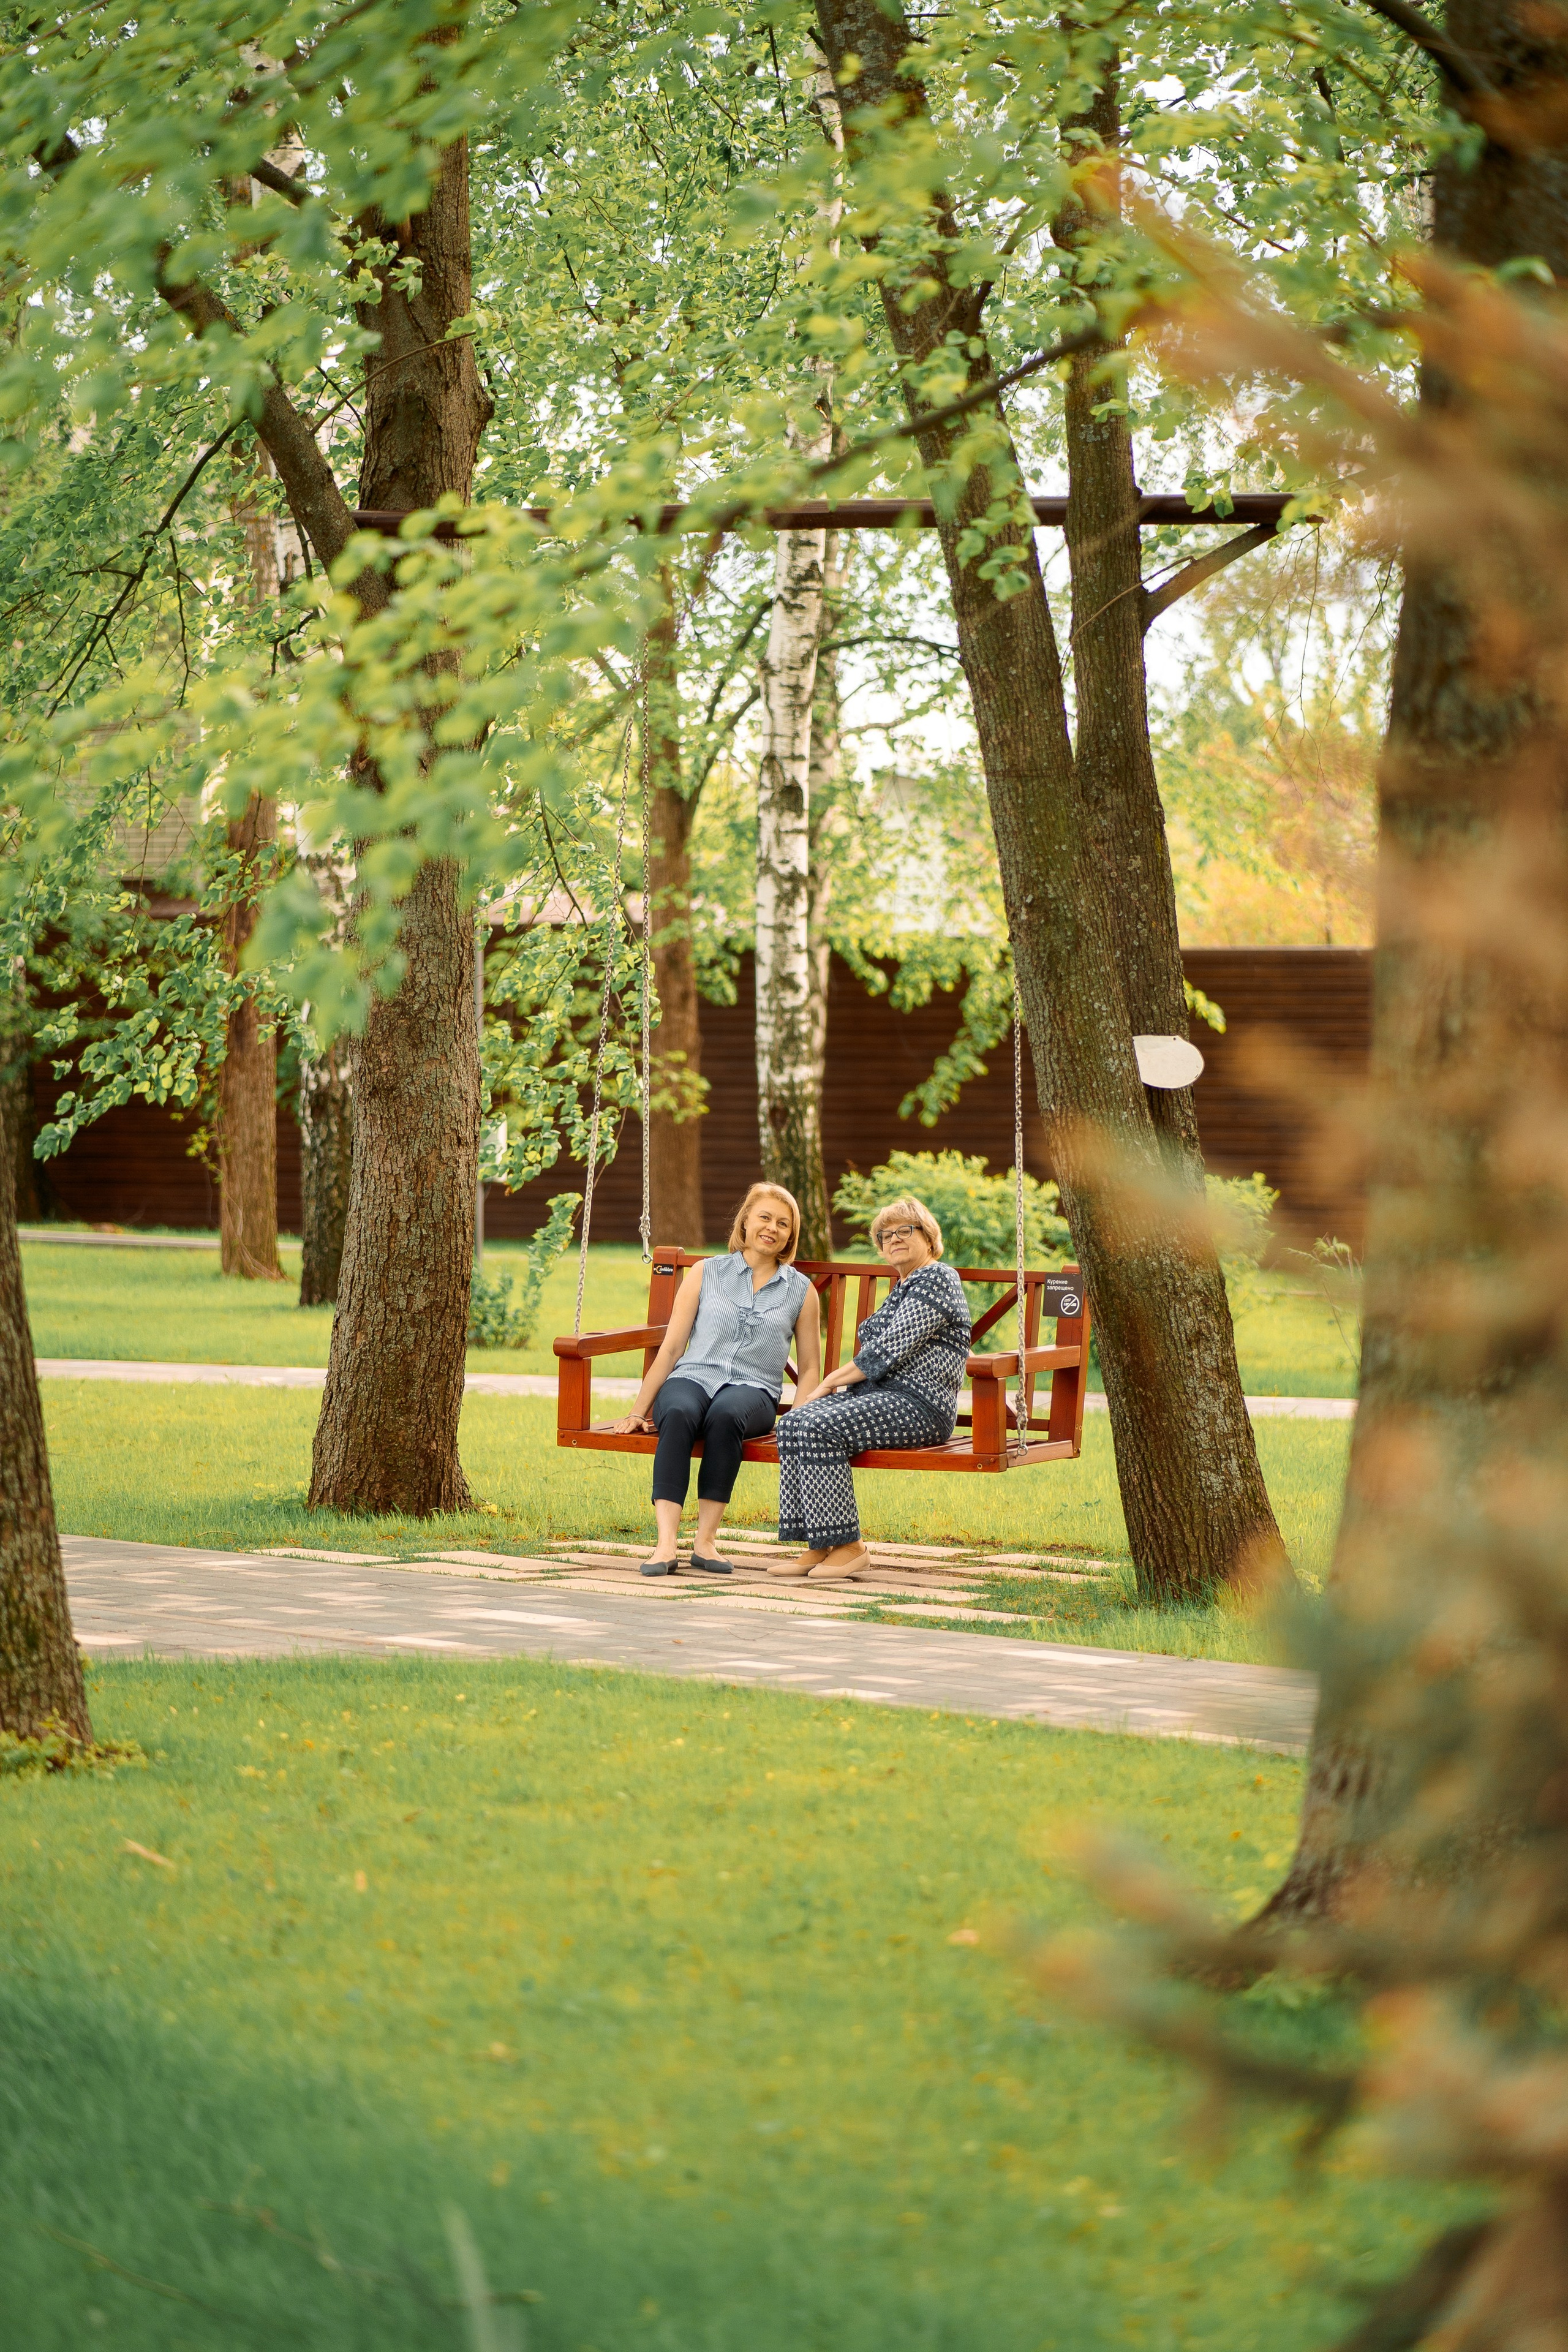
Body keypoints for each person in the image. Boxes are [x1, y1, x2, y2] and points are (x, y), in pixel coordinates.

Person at [601, 1183, 821, 1577]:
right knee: (682, 1411)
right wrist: (638, 1410)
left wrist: (799, 1418)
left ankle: (705, 1542)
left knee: (726, 1414)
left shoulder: (801, 1291)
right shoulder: (707, 1272)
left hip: (754, 1392)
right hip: (694, 1377)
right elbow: (670, 1349)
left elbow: (809, 1369)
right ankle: (665, 1545)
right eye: (765, 1218)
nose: (772, 1228)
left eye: (783, 1224)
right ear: (746, 1221)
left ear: (791, 1235)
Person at [771, 1195, 971, 1581]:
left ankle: (849, 1547)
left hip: (920, 1405)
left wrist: (830, 1381)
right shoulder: (904, 1286)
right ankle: (820, 1542)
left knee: (817, 1426)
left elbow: (888, 1349)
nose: (893, 1239)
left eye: (904, 1231)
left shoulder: (938, 1278)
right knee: (794, 1423)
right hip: (884, 1399)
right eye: (885, 1235)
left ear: (928, 1239)